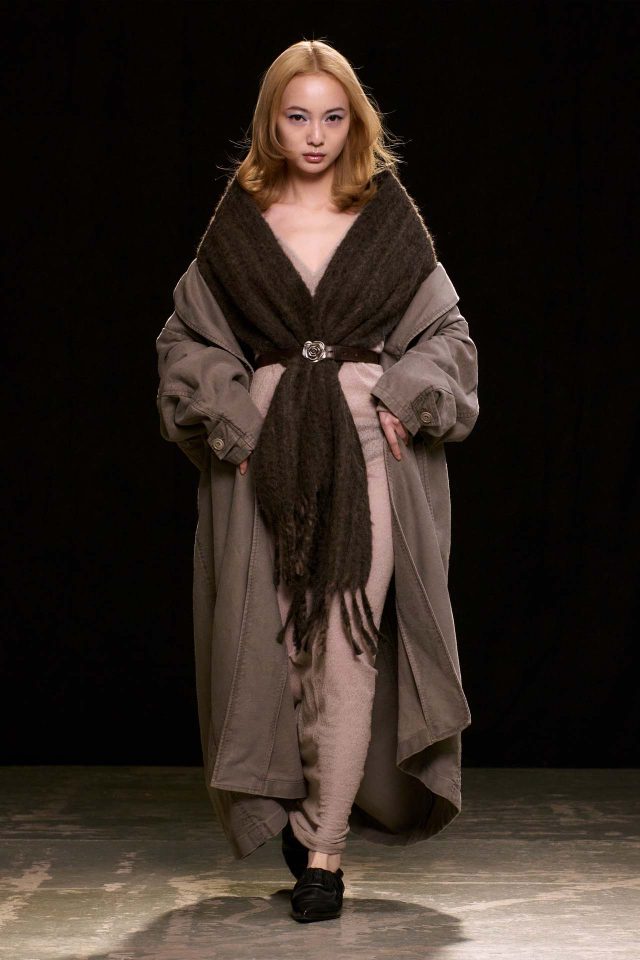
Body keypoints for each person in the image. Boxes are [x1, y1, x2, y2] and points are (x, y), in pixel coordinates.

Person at [156, 38, 479, 923]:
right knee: (277, 644)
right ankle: (304, 816)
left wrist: (404, 396)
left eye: (333, 118)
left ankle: (324, 852)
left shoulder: (386, 220)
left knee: (346, 641)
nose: (315, 135)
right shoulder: (239, 225)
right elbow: (186, 343)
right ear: (271, 121)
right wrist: (232, 419)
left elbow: (450, 340)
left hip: (367, 448)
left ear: (354, 124)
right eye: (297, 116)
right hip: (264, 455)